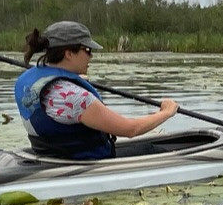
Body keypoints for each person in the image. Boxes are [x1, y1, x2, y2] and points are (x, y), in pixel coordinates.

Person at [13, 21, 178, 160]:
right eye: (87, 50)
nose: (91, 56)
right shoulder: (75, 97)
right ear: (69, 53)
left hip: (53, 157)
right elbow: (130, 129)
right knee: (151, 150)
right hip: (84, 162)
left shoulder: (28, 80)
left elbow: (59, 98)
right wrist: (166, 112)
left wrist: (73, 81)